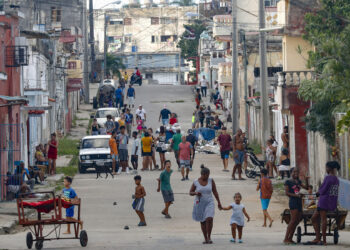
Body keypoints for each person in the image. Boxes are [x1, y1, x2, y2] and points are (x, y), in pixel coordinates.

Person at [307, 161, 340, 246]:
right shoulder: (336, 179)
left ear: (329, 168)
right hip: (332, 201)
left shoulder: (328, 178)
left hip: (324, 201)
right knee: (314, 218)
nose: (325, 169)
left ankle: (323, 240)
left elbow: (323, 189)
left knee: (322, 220)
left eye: (326, 167)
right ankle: (318, 238)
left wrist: (317, 193)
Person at [190, 166, 222, 244]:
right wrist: (196, 193)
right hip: (200, 203)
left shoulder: (211, 181)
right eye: (206, 175)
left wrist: (219, 202)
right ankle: (205, 238)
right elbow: (190, 192)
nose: (207, 177)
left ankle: (209, 236)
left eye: (208, 175)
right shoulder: (196, 182)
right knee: (203, 221)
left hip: (209, 202)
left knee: (209, 218)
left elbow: (215, 192)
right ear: (202, 174)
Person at [283, 168, 309, 245]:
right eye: (294, 172)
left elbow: (306, 188)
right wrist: (296, 195)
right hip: (293, 202)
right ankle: (286, 238)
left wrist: (306, 180)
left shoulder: (298, 181)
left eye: (297, 171)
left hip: (299, 202)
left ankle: (290, 238)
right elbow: (287, 193)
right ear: (291, 173)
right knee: (293, 220)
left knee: (297, 220)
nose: (295, 173)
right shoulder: (288, 182)